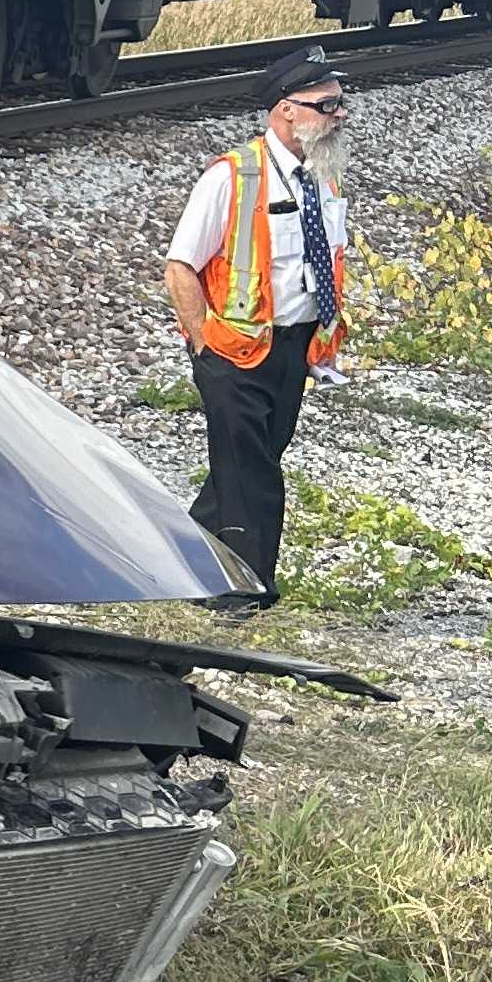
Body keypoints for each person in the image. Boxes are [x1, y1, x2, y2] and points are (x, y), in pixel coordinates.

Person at [165, 46, 359, 603]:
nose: (339, 114)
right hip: (232, 353)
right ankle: (247, 592)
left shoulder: (323, 175)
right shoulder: (232, 177)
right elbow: (180, 266)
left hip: (295, 350)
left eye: (340, 103)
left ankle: (178, 559)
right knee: (253, 476)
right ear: (286, 111)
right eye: (327, 105)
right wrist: (202, 343)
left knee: (247, 462)